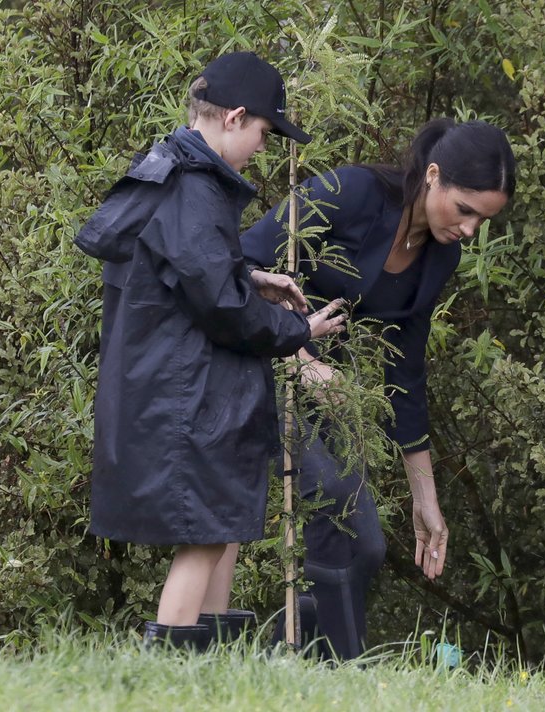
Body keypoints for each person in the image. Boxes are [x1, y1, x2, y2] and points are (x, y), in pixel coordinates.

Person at [74, 51, 346, 650]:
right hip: (188, 396)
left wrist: (250, 278)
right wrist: (300, 333)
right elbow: (221, 309)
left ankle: (211, 669)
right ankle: (164, 669)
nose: (262, 148)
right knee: (203, 537)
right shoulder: (194, 188)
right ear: (235, 118)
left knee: (219, 525)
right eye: (264, 134)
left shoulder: (172, 172)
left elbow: (180, 277)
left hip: (183, 389)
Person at [241, 117, 515, 658]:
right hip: (260, 369)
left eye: (483, 222)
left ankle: (289, 667)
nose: (469, 231)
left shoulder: (441, 255)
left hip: (331, 395)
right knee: (336, 502)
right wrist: (300, 359)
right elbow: (240, 265)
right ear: (433, 175)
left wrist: (425, 500)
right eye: (465, 210)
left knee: (365, 544)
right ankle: (340, 673)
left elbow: (405, 373)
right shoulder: (349, 193)